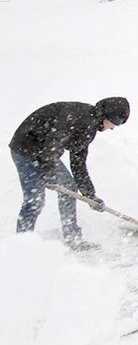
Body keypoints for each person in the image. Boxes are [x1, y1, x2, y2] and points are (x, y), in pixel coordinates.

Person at [9, 97, 131, 249]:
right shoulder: (77, 116)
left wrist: (90, 195)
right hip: (25, 149)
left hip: (44, 152)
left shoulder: (89, 128)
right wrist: (50, 173)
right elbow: (53, 143)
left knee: (69, 187)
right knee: (34, 200)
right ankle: (21, 246)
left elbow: (78, 163)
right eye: (116, 123)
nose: (113, 128)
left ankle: (72, 238)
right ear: (107, 116)